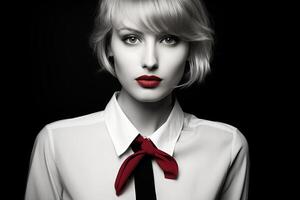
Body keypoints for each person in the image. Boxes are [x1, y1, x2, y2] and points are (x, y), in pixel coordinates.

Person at [25, 0, 249, 199]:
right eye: (131, 38)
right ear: (109, 46)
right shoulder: (57, 143)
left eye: (169, 39)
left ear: (191, 48)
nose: (150, 61)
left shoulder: (227, 146)